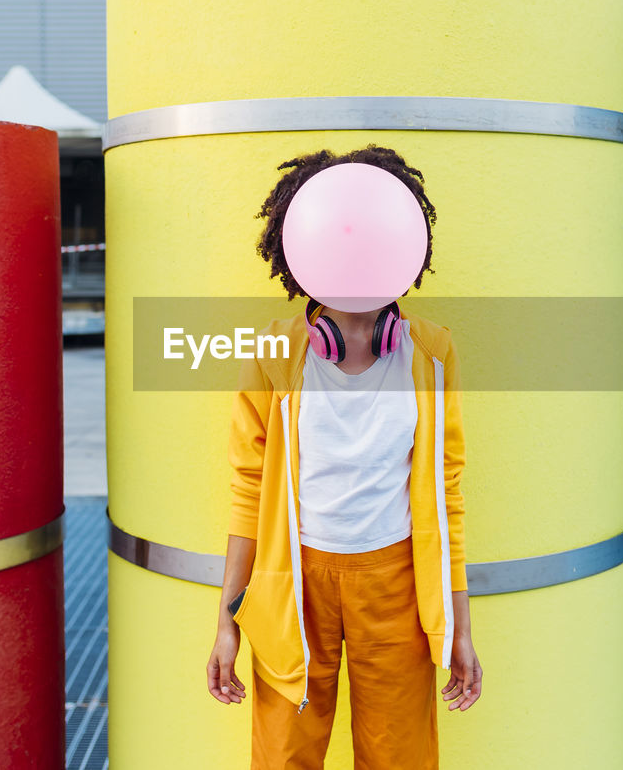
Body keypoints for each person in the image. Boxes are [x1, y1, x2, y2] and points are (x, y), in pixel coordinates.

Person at [206, 145, 482, 769]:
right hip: (294, 578)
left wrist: (459, 626)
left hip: (396, 585)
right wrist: (227, 619)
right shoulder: (276, 354)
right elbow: (249, 490)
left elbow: (446, 492)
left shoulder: (432, 354)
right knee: (283, 756)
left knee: (400, 756)